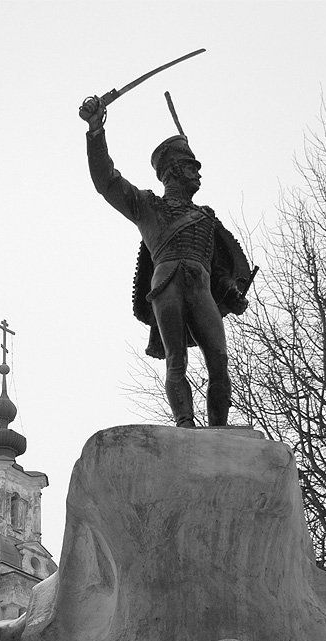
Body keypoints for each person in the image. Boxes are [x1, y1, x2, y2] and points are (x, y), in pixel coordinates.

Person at [79, 95, 250, 427]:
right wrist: (95, 130)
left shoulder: (206, 217)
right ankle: (185, 424)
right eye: (191, 168)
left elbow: (217, 269)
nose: (198, 175)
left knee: (219, 360)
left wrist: (230, 291)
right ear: (173, 170)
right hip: (168, 283)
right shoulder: (147, 206)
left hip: (201, 287)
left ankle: (219, 430)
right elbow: (106, 181)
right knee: (177, 360)